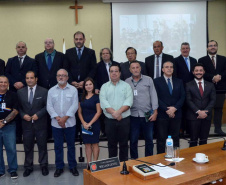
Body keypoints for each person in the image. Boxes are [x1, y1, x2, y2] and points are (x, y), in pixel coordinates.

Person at [47, 69, 79, 177]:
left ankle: (72, 167)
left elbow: (75, 105)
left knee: (71, 146)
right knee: (58, 146)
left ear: (67, 77)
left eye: (63, 75)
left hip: (70, 123)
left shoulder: (73, 90)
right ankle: (59, 167)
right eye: (59, 75)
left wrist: (65, 118)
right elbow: (49, 106)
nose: (61, 77)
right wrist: (58, 118)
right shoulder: (51, 90)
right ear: (56, 77)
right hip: (56, 124)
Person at [17, 71, 49, 177]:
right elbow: (18, 108)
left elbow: (47, 107)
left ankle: (44, 166)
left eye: (31, 78)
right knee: (28, 146)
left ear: (36, 79)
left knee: (42, 146)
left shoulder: (44, 91)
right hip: (26, 125)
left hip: (41, 123)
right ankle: (28, 167)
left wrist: (39, 114)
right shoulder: (20, 92)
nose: (29, 80)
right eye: (27, 78)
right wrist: (23, 115)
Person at [100, 64, 133, 161]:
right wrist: (115, 114)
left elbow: (129, 101)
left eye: (116, 71)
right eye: (111, 71)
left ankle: (124, 166)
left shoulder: (126, 86)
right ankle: (113, 167)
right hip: (109, 120)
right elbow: (104, 103)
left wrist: (118, 113)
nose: (114, 73)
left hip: (124, 120)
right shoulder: (104, 86)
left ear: (119, 73)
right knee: (111, 144)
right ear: (109, 73)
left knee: (124, 144)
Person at [5, 41, 37, 143]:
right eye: (19, 47)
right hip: (14, 91)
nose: (21, 49)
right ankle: (17, 137)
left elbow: (35, 74)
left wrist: (23, 83)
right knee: (15, 112)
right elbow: (7, 74)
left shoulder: (32, 61)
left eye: (23, 47)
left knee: (26, 112)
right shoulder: (11, 60)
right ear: (16, 49)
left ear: (26, 49)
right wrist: (14, 83)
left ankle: (28, 136)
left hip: (27, 90)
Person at [125, 61, 158, 159]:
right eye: (133, 68)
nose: (135, 69)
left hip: (148, 114)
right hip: (133, 115)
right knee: (133, 140)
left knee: (149, 140)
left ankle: (149, 160)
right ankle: (134, 161)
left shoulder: (148, 80)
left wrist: (155, 112)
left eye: (137, 67)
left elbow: (154, 96)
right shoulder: (127, 81)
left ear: (140, 68)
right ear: (130, 70)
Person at [35, 38, 65, 140]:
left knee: (57, 109)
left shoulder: (61, 56)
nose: (48, 44)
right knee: (45, 110)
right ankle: (46, 134)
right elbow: (37, 72)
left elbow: (64, 71)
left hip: (57, 87)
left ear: (54, 44)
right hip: (42, 88)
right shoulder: (38, 57)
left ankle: (56, 133)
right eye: (46, 43)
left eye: (50, 42)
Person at [154, 61, 185, 154]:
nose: (169, 69)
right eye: (167, 67)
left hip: (176, 114)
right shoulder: (156, 81)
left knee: (175, 137)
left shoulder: (179, 81)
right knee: (161, 139)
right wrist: (167, 109)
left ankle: (175, 158)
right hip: (162, 115)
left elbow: (182, 97)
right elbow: (156, 97)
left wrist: (174, 108)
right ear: (163, 69)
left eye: (171, 67)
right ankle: (160, 160)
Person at [198, 40, 226, 135]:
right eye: (210, 46)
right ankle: (205, 129)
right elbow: (200, 73)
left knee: (218, 109)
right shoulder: (202, 60)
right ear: (207, 48)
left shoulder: (223, 59)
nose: (212, 47)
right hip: (207, 89)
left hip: (220, 89)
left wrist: (220, 77)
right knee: (207, 109)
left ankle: (218, 129)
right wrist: (213, 77)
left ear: (217, 47)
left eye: (214, 45)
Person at [186, 63, 216, 147]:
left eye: (200, 70)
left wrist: (205, 112)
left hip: (206, 117)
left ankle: (202, 158)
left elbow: (213, 100)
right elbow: (188, 100)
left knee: (204, 140)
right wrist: (199, 112)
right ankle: (192, 158)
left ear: (204, 72)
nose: (198, 72)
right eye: (196, 70)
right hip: (193, 117)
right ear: (193, 72)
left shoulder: (210, 85)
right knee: (193, 140)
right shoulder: (188, 85)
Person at [174, 42, 197, 135]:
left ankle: (190, 129)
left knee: (191, 109)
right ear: (180, 50)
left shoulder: (194, 60)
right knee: (182, 110)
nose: (185, 50)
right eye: (183, 48)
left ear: (189, 49)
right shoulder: (175, 60)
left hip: (193, 89)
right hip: (181, 89)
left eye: (187, 48)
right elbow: (175, 75)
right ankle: (181, 129)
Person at [78, 78, 101, 168]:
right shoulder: (81, 97)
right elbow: (79, 112)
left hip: (94, 124)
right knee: (87, 144)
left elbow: (99, 112)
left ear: (93, 85)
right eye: (86, 85)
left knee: (95, 144)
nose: (88, 86)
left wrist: (90, 123)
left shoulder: (96, 97)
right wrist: (84, 123)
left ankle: (95, 164)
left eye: (90, 84)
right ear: (84, 87)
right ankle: (88, 164)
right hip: (84, 125)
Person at [95, 48, 118, 138]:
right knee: (104, 110)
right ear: (101, 55)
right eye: (103, 53)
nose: (105, 55)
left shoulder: (116, 64)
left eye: (107, 53)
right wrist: (96, 88)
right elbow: (95, 78)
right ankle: (104, 132)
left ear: (110, 54)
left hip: (115, 90)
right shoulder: (97, 66)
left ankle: (116, 130)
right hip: (103, 91)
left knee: (115, 108)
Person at [0, 76, 19, 179]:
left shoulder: (13, 95)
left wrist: (4, 121)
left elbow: (15, 111)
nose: (3, 84)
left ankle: (12, 170)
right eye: (1, 82)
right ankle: (0, 171)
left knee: (11, 149)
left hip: (9, 126)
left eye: (5, 82)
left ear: (8, 84)